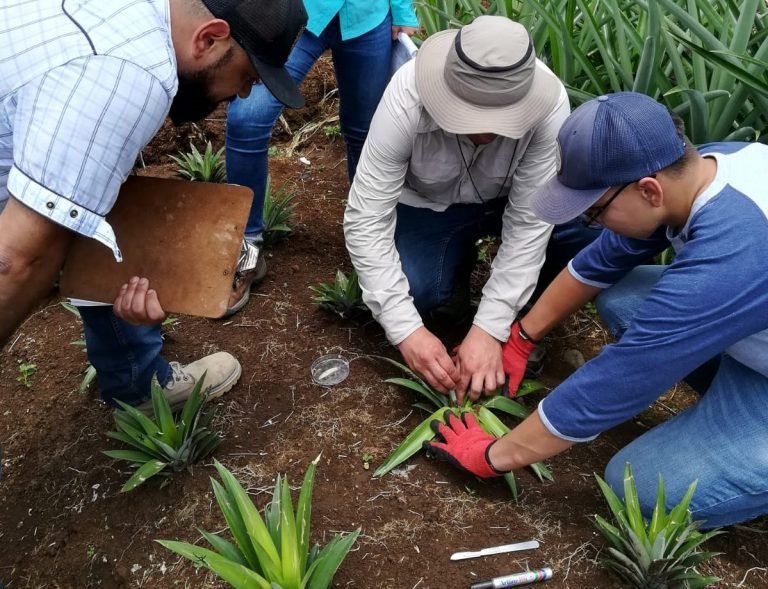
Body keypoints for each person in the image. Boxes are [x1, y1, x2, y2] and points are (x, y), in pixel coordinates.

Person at [425, 91, 768, 529]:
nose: (593, 222)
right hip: (751, 332)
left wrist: (493, 455)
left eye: (595, 212)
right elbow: (599, 262)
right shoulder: (710, 167)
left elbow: (623, 376)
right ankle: (723, 410)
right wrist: (521, 337)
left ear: (648, 190)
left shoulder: (731, 254)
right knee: (624, 296)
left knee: (638, 488)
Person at [0, 0, 307, 411]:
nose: (244, 92)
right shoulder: (134, 74)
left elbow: (83, 193)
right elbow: (17, 261)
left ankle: (137, 380)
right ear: (209, 38)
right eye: (248, 75)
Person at [343, 16, 599, 400]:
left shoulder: (548, 106)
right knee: (416, 290)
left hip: (506, 200)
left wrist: (491, 328)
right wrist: (407, 332)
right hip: (430, 206)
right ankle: (454, 278)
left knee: (586, 231)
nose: (483, 131)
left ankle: (525, 324)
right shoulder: (406, 96)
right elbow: (366, 217)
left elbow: (530, 221)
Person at [224, 0, 419, 315]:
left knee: (366, 133)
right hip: (296, 12)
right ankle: (245, 244)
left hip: (366, 15)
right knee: (248, 118)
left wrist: (402, 9)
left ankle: (373, 242)